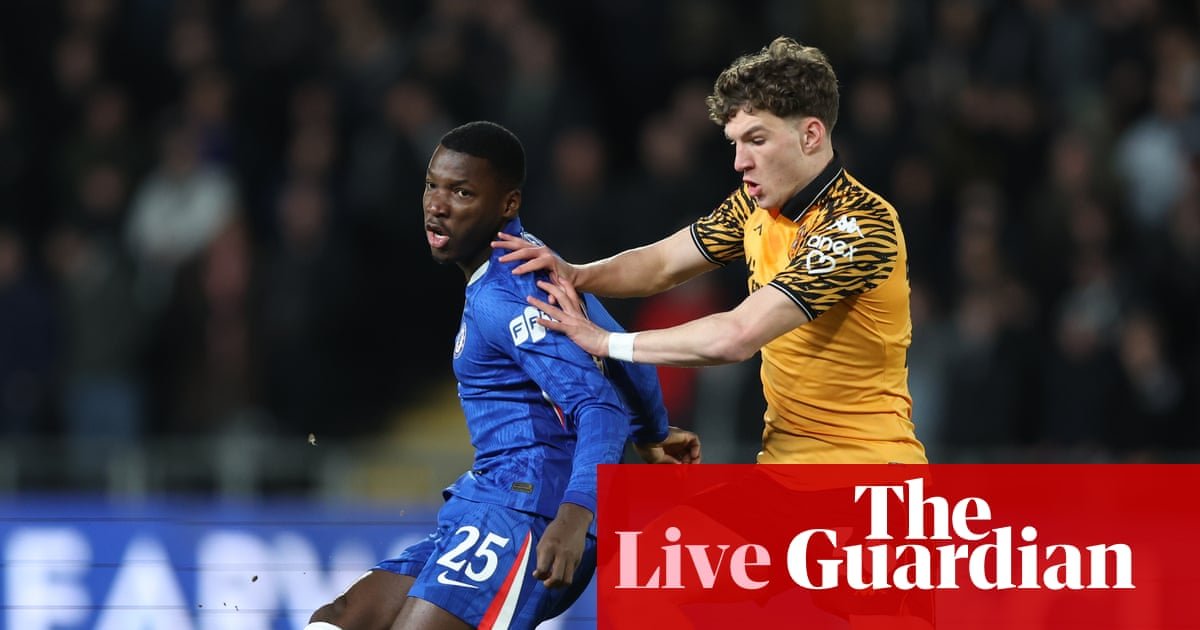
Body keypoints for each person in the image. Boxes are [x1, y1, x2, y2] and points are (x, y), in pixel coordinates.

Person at [306, 121, 701, 630]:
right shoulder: (533, 259)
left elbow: (599, 406)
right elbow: (619, 349)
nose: (437, 205)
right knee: (340, 618)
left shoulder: (504, 292)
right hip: (490, 500)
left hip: (533, 512)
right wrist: (652, 432)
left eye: (462, 192)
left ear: (508, 203)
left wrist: (576, 514)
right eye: (432, 185)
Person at [494, 36, 927, 465]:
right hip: (785, 471)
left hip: (869, 477)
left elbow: (736, 336)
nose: (740, 162)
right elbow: (662, 263)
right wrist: (575, 273)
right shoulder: (756, 206)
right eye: (735, 143)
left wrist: (607, 342)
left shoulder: (859, 226)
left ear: (811, 135)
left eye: (756, 140)